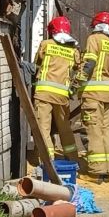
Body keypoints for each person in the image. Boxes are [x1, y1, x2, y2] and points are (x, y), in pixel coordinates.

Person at [78, 11, 109, 184]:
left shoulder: (94, 39)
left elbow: (89, 64)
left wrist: (77, 82)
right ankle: (106, 170)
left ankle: (95, 172)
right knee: (105, 132)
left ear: (96, 25)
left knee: (93, 131)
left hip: (93, 94)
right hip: (107, 96)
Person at [31, 17, 81, 167]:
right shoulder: (73, 50)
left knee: (43, 128)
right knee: (65, 128)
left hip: (44, 93)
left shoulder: (46, 45)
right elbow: (78, 71)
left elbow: (36, 65)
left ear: (52, 31)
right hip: (62, 95)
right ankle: (72, 158)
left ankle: (48, 161)